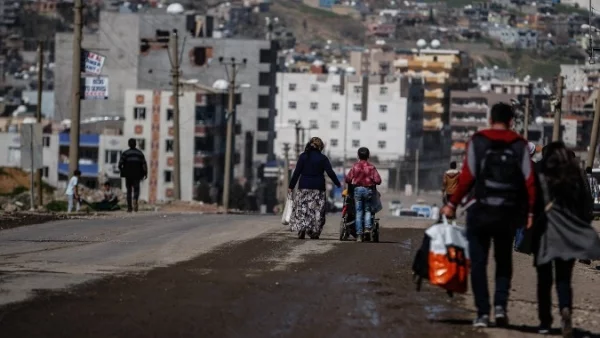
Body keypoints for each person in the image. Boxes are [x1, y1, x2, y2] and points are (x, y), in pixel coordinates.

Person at [441, 102, 536, 328]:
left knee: (479, 262)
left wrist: (452, 204)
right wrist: (531, 211)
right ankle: (501, 307)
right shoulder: (520, 144)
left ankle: (483, 312)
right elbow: (530, 181)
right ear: (512, 121)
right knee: (503, 261)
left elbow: (467, 177)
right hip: (507, 213)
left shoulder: (478, 141)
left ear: (490, 119)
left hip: (480, 212)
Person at [531, 141, 600, 336]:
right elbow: (587, 205)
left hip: (545, 231)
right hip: (569, 234)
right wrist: (581, 225)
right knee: (564, 279)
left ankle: (545, 322)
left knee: (543, 280)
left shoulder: (540, 171)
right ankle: (565, 309)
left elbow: (532, 201)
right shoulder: (576, 174)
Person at [288, 137, 341, 239]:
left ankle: (302, 228)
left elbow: (296, 173)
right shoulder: (323, 158)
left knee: (303, 208)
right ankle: (315, 231)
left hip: (304, 186)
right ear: (320, 147)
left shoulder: (303, 156)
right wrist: (337, 183)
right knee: (317, 210)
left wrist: (291, 186)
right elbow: (330, 172)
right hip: (318, 187)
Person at [345, 147, 382, 242]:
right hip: (368, 190)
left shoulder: (355, 166)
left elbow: (348, 179)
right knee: (368, 210)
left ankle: (359, 235)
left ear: (358, 155)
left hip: (357, 190)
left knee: (359, 212)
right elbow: (378, 181)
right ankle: (367, 228)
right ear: (368, 156)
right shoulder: (371, 167)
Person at [118, 138, 148, 212]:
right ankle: (135, 199)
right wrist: (145, 173)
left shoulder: (125, 153)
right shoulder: (140, 153)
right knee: (136, 190)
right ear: (135, 144)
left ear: (128, 144)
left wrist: (122, 171)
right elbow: (144, 164)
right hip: (137, 175)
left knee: (129, 190)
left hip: (128, 175)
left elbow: (120, 164)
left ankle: (129, 208)